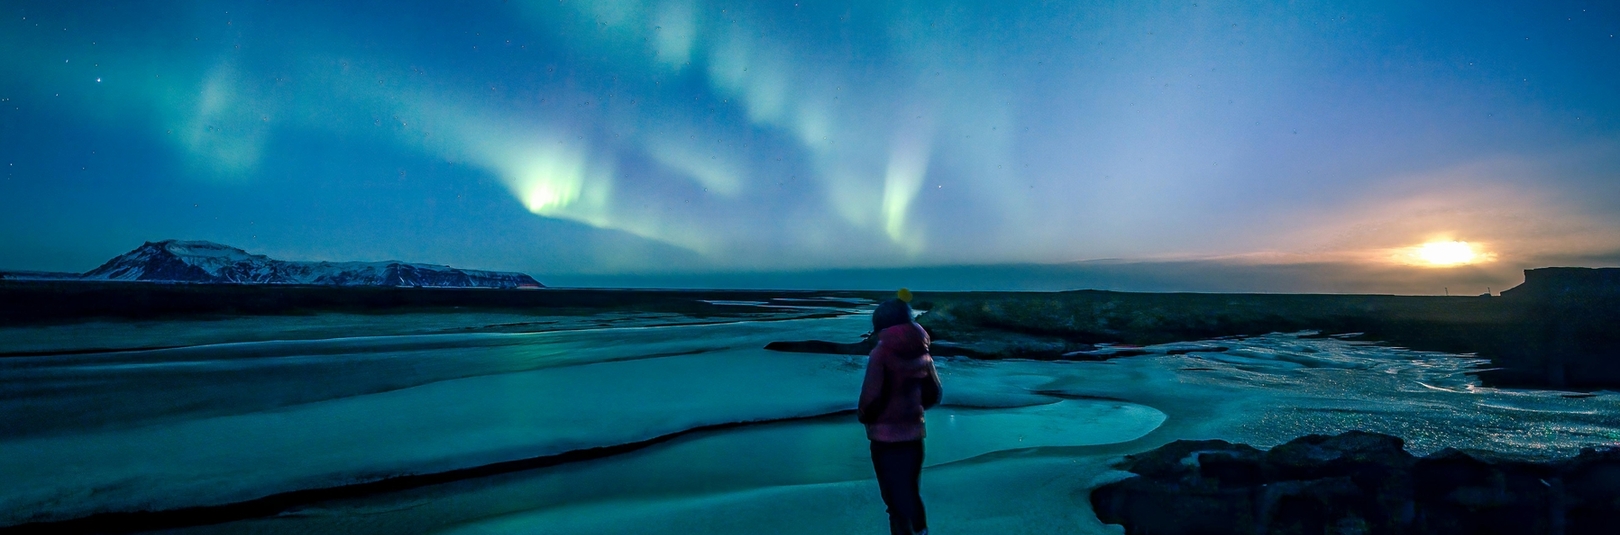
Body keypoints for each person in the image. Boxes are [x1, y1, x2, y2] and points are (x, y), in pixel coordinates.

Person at [858, 289, 942, 535]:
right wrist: (912, 411)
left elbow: (871, 398)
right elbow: (934, 394)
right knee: (910, 492)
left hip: (885, 439)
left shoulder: (881, 353)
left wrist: (864, 416)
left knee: (893, 500)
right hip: (914, 436)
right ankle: (921, 532)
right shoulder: (923, 352)